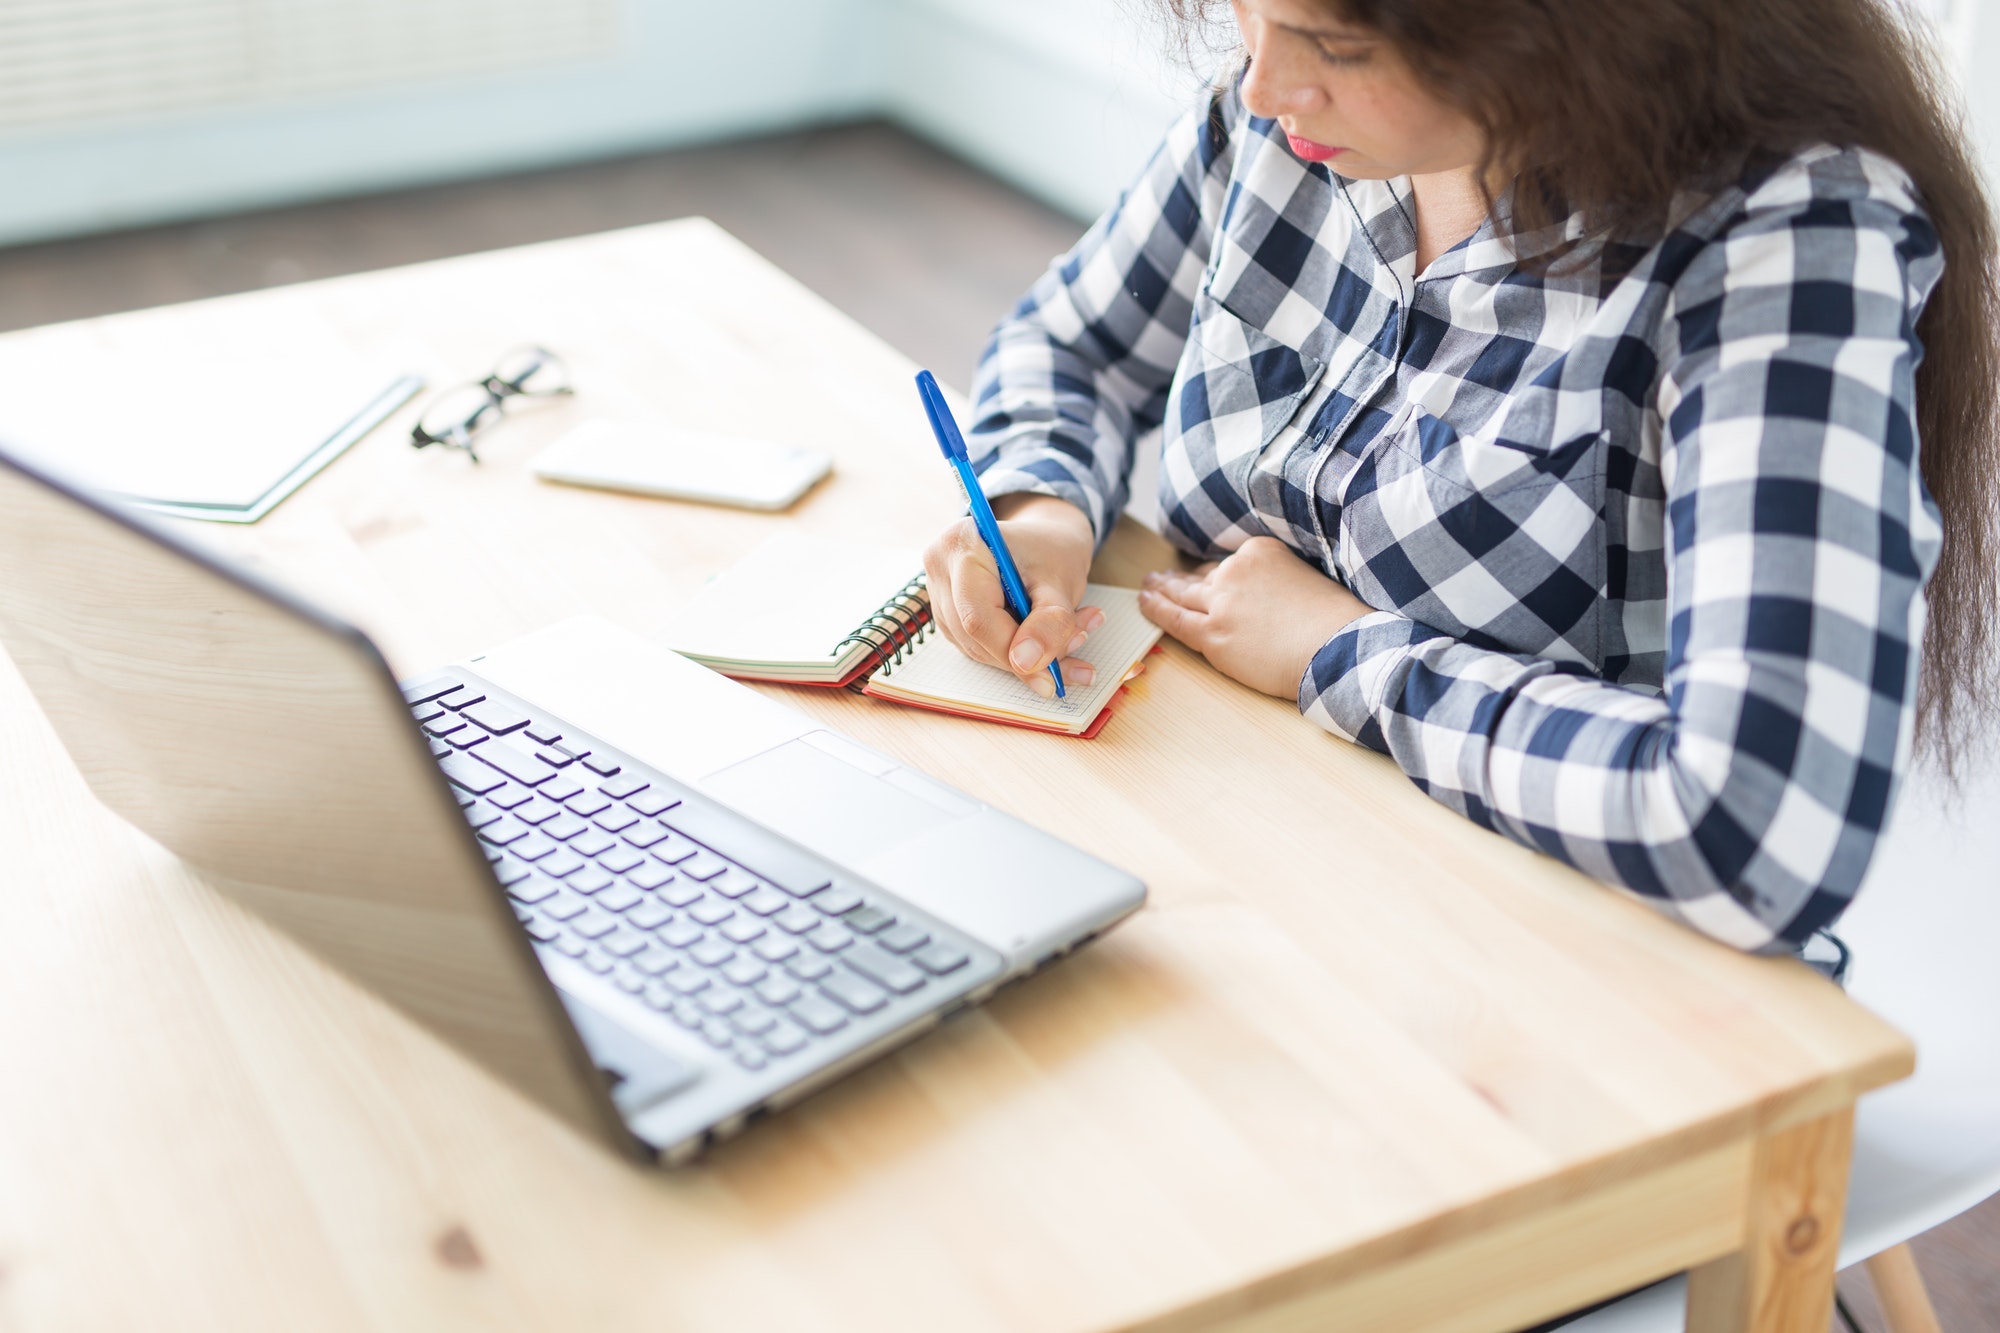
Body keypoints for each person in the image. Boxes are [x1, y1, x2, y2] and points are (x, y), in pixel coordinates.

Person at [920, 0, 2000, 953]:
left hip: (1546, 958)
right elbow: (1074, 348)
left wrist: (1342, 654)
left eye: (1335, 40)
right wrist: (1040, 506)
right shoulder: (1282, 123)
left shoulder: (1778, 241)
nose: (1261, 80)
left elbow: (1751, 826)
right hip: (1212, 853)